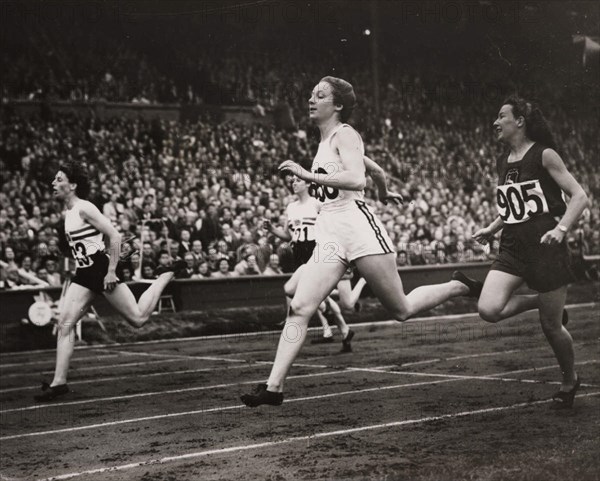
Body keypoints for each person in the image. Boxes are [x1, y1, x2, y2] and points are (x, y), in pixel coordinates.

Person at [241, 76, 481, 407]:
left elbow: (355, 178)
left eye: (320, 95)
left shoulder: (346, 134)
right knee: (299, 307)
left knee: (401, 309)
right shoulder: (326, 142)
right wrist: (384, 191)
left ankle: (458, 286)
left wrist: (307, 175)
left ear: (337, 105)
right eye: (311, 94)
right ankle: (273, 387)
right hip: (329, 233)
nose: (311, 99)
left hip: (357, 226)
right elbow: (375, 172)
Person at [466, 96, 589, 409]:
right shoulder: (502, 159)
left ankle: (569, 379)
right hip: (512, 247)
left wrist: (561, 229)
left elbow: (579, 197)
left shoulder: (545, 154)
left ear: (519, 120)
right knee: (489, 309)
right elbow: (513, 204)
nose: (495, 122)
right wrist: (492, 228)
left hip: (547, 248)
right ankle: (541, 302)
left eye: (501, 116)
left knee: (551, 328)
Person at [34, 161, 185, 402]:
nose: (54, 183)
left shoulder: (85, 208)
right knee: (65, 324)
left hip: (101, 269)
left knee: (138, 319)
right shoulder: (69, 212)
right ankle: (59, 382)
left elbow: (114, 235)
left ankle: (164, 276)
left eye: (59, 179)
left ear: (72, 185)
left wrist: (112, 270)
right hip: (84, 273)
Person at [265, 174, 355, 352]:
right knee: (317, 294)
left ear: (307, 184)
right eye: (292, 181)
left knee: (299, 291)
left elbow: (332, 226)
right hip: (298, 251)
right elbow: (288, 235)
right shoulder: (291, 207)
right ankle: (344, 330)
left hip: (314, 249)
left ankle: (329, 315)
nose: (294, 183)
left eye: (298, 180)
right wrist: (271, 229)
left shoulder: (317, 203)